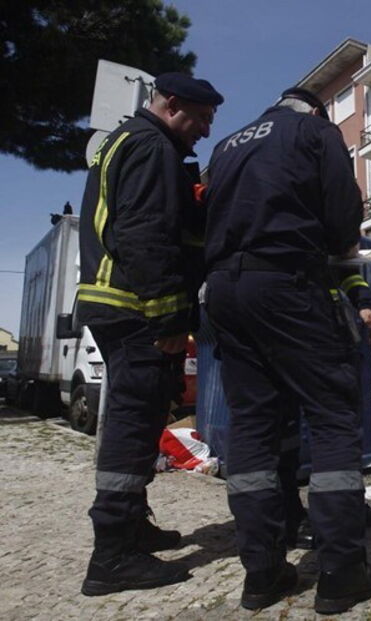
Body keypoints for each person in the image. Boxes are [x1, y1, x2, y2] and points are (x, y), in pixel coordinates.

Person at [203, 87, 371, 613]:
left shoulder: (228, 144)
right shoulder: (315, 132)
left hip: (225, 292)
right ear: (318, 110)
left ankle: (262, 574)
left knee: (253, 427)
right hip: (285, 282)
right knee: (331, 416)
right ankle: (341, 571)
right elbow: (342, 218)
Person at [76, 72, 223, 596]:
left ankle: (132, 529)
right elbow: (144, 233)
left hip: (116, 303)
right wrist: (166, 319)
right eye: (201, 118)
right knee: (132, 427)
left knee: (138, 422)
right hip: (135, 308)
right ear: (173, 104)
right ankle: (112, 558)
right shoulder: (152, 147)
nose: (205, 131)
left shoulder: (124, 142)